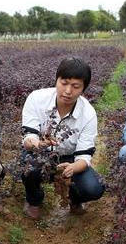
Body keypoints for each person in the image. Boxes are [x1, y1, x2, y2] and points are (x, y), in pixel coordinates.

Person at [21, 57, 105, 219]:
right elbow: (28, 138)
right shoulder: (36, 99)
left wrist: (74, 167)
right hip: (39, 153)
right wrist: (38, 144)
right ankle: (34, 200)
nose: (67, 91)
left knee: (94, 188)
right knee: (29, 167)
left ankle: (75, 199)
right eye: (64, 83)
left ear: (83, 89)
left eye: (75, 86)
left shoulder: (88, 114)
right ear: (57, 79)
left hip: (70, 158)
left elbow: (84, 157)